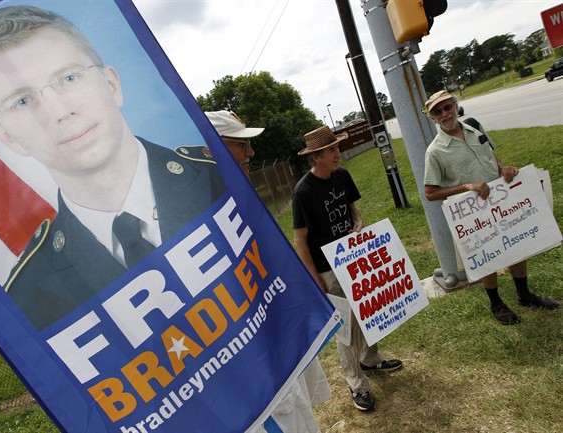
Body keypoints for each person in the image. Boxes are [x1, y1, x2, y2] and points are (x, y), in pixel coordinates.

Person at [0, 6, 225, 330]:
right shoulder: (28, 296)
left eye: (68, 78)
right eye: (21, 101)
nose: (58, 111)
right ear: (7, 137)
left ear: (111, 85)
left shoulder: (220, 175)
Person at [206, 110, 330, 433]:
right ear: (212, 148)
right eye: (241, 145)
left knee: (298, 412)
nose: (251, 153)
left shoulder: (241, 197)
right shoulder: (203, 212)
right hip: (251, 354)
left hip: (277, 337)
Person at [423, 90, 559, 325]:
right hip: (477, 212)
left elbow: (491, 157)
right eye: (438, 111)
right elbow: (430, 192)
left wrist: (503, 168)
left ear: (456, 106)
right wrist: (467, 186)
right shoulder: (435, 151)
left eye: (447, 107)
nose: (445, 114)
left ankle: (524, 295)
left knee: (516, 244)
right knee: (488, 256)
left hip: (502, 201)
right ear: (433, 118)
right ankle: (496, 303)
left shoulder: (474, 127)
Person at [292, 125, 402, 412]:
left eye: (337, 148)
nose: (337, 154)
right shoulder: (303, 191)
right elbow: (300, 240)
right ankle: (357, 385)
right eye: (331, 150)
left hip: (354, 258)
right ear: (316, 156)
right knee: (347, 328)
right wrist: (317, 281)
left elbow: (351, 206)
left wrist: (358, 221)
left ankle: (371, 359)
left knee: (369, 311)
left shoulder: (342, 176)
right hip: (327, 268)